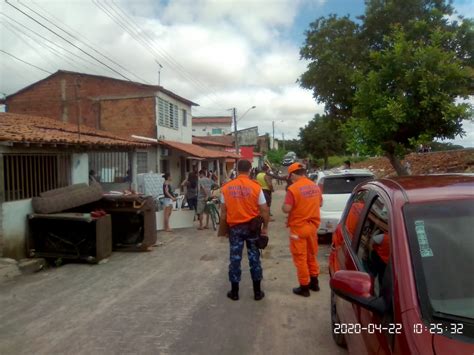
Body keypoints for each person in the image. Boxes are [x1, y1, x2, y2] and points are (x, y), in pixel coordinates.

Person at [220, 159, 270, 301]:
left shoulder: (226, 187)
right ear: (250, 170)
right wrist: (265, 228)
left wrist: (224, 231)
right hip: (252, 228)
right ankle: (257, 292)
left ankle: (234, 293)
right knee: (254, 258)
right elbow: (264, 210)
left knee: (235, 259)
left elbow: (223, 213)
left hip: (235, 228)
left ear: (236, 169)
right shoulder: (256, 187)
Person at [282, 162, 322, 297]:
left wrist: (285, 207)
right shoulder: (315, 186)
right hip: (312, 227)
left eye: (290, 176)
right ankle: (315, 283)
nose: (290, 178)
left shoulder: (293, 189)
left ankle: (304, 287)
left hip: (299, 229)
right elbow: (320, 203)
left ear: (293, 174)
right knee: (311, 255)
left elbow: (286, 209)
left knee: (300, 258)